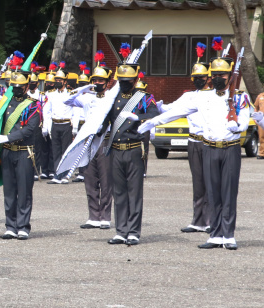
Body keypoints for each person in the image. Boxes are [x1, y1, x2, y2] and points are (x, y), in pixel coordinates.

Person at [139, 47, 248, 250]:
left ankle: (228, 235)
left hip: (230, 149)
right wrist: (152, 122)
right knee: (213, 193)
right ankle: (215, 234)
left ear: (230, 76)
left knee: (228, 193)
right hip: (209, 148)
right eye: (215, 75)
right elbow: (177, 112)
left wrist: (236, 125)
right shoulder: (202, 98)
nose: (218, 78)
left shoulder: (239, 97)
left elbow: (243, 121)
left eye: (222, 75)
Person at [100, 46, 159, 246]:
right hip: (116, 149)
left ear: (135, 80)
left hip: (134, 149)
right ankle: (121, 230)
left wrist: (139, 117)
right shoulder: (113, 98)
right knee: (118, 192)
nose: (124, 84)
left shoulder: (143, 98)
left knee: (134, 192)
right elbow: (105, 121)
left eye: (128, 81)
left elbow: (154, 115)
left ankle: (133, 231)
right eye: (121, 80)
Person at [158, 45, 211, 233]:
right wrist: (157, 105)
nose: (198, 81)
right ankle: (198, 220)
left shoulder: (214, 96)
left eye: (201, 78)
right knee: (198, 182)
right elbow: (171, 108)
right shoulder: (188, 96)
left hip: (209, 142)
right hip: (193, 142)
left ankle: (211, 220)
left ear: (209, 78)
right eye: (195, 78)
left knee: (211, 182)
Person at [65, 53, 113, 230]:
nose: (98, 83)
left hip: (104, 141)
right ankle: (93, 216)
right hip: (88, 142)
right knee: (90, 180)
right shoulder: (88, 98)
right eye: (95, 80)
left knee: (106, 180)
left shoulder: (111, 98)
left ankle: (105, 216)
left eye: (101, 80)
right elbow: (67, 100)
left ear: (107, 82)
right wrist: (82, 89)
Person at [0, 64, 42, 240]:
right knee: (9, 191)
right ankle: (10, 225)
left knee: (24, 191)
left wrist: (8, 137)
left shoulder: (33, 105)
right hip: (7, 152)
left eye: (19, 87)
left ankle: (23, 226)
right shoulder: (5, 103)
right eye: (13, 86)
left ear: (27, 87)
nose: (16, 89)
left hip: (24, 152)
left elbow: (30, 129)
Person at [42, 62, 75, 184]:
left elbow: (75, 110)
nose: (57, 82)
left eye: (60, 80)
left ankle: (65, 174)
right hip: (55, 124)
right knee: (55, 150)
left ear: (65, 82)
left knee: (65, 151)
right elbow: (47, 111)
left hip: (66, 124)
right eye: (56, 80)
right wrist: (46, 126)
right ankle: (56, 174)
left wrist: (75, 126)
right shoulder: (51, 95)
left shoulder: (70, 93)